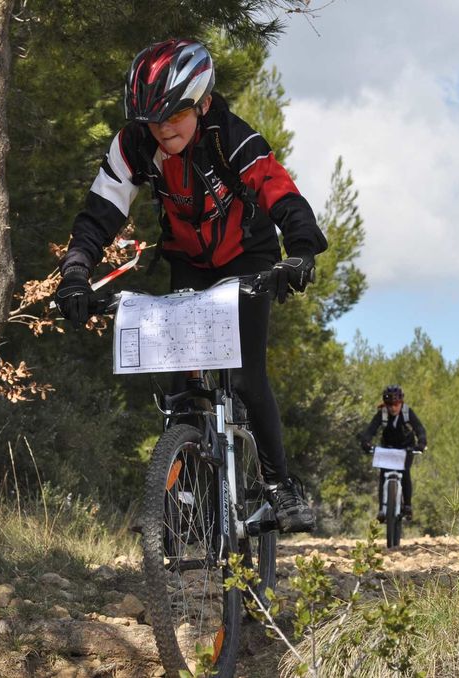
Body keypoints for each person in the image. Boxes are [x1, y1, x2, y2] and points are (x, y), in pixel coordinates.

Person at [54, 38, 327, 533]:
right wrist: (75, 272)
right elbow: (99, 215)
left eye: (174, 115)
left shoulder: (229, 136)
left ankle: (278, 485)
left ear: (202, 104)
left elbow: (278, 189)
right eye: (151, 119)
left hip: (250, 256)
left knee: (245, 375)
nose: (162, 128)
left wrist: (302, 250)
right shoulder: (135, 144)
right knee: (182, 383)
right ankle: (177, 495)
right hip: (189, 260)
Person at [358, 385, 428, 521]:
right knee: (383, 475)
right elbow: (370, 430)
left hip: (406, 448)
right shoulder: (382, 414)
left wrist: (421, 443)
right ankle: (382, 510)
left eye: (395, 404)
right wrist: (366, 442)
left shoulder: (408, 413)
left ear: (401, 402)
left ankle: (407, 506)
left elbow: (420, 429)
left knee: (405, 472)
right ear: (385, 404)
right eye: (389, 404)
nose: (393, 408)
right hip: (388, 448)